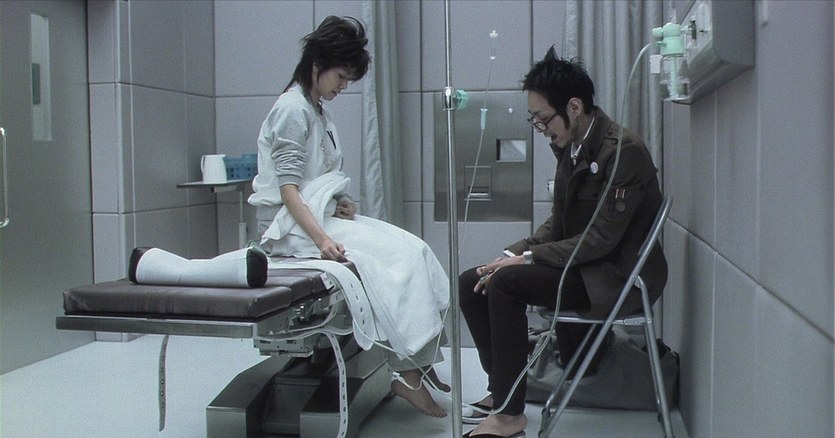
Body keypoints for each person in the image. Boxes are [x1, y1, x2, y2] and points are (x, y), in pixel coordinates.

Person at [458, 48, 668, 437]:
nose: (540, 129)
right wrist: (511, 253)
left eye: (543, 119)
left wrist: (526, 260)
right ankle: (502, 390)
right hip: (584, 264)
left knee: (505, 284)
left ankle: (509, 415)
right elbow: (560, 221)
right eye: (535, 120)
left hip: (613, 275)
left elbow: (601, 239)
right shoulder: (570, 147)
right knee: (473, 281)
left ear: (574, 107)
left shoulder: (623, 152)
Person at [248, 16, 450, 418]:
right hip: (290, 230)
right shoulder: (292, 110)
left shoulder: (316, 112)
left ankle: (420, 363)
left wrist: (340, 202)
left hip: (314, 219)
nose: (343, 86)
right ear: (317, 64)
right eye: (341, 77)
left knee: (416, 249)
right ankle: (408, 374)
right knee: (398, 260)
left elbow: (315, 179)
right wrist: (323, 240)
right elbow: (288, 191)